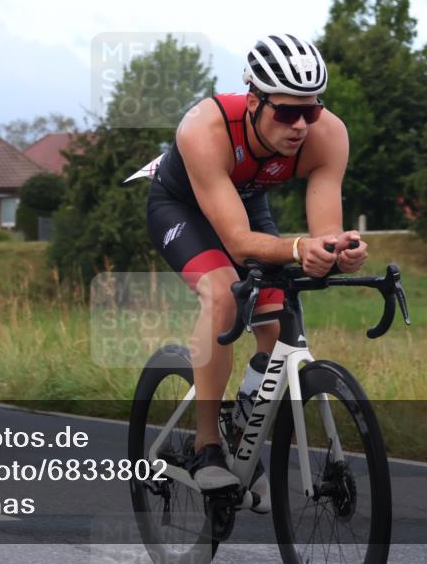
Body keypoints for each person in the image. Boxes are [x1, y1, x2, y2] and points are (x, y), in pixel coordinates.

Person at [144, 34, 368, 504]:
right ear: (253, 102)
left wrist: (337, 251)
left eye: (311, 111)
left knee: (277, 316)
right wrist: (299, 247)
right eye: (286, 112)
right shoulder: (205, 128)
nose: (300, 125)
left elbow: (325, 232)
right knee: (224, 294)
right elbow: (237, 241)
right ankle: (206, 445)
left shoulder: (328, 134)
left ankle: (242, 430)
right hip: (181, 209)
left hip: (245, 203)